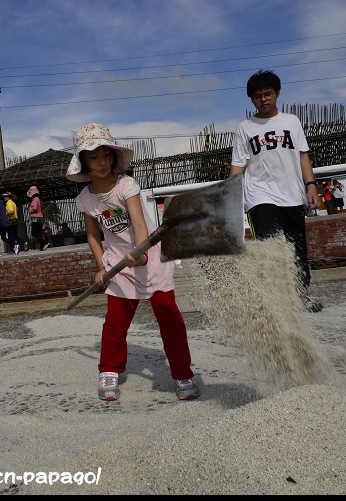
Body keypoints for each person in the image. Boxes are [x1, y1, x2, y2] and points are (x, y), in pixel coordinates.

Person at [66, 122, 201, 402]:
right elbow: (93, 236)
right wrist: (102, 268)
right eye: (93, 157)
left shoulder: (126, 184)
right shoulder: (85, 199)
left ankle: (182, 373)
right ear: (84, 163)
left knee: (169, 316)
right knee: (116, 321)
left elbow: (139, 223)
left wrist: (140, 253)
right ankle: (109, 370)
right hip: (119, 262)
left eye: (106, 155)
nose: (101, 162)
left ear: (113, 157)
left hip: (149, 255)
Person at [229, 69, 323, 313]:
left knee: (296, 247)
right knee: (270, 248)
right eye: (257, 96)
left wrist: (311, 185)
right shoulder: (245, 128)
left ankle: (301, 297)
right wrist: (229, 196)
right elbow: (238, 164)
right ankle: (277, 301)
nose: (264, 99)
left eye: (268, 93)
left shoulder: (291, 121)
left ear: (278, 93)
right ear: (251, 99)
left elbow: (303, 154)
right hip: (259, 194)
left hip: (292, 194)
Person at [26, 186, 49, 250]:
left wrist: (30, 209)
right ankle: (42, 247)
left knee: (34, 233)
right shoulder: (38, 199)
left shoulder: (35, 199)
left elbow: (35, 208)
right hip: (39, 217)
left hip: (36, 218)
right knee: (39, 232)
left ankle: (43, 242)